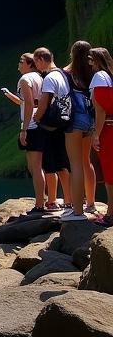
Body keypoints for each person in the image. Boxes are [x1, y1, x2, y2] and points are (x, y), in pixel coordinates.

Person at [33, 46, 73, 216]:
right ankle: (69, 199)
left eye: (36, 62)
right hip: (64, 123)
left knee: (50, 164)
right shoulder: (63, 74)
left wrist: (37, 117)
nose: (36, 66)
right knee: (63, 163)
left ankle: (52, 201)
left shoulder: (49, 78)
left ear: (41, 59)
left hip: (50, 125)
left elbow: (44, 101)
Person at [5, 53, 46, 213]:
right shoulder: (40, 77)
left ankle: (39, 204)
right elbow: (29, 102)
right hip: (40, 122)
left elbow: (29, 104)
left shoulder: (24, 79)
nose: (18, 65)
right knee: (39, 166)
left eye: (21, 62)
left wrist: (24, 129)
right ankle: (45, 201)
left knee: (35, 167)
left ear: (30, 64)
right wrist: (10, 96)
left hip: (32, 125)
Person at [64, 40, 94, 220]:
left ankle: (77, 211)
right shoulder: (92, 72)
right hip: (90, 118)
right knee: (86, 161)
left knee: (74, 164)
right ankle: (90, 203)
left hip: (75, 119)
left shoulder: (67, 72)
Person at [90, 47, 113, 225]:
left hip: (107, 129)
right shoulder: (109, 76)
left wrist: (96, 135)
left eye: (90, 59)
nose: (88, 62)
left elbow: (101, 110)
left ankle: (111, 214)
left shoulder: (99, 77)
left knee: (109, 171)